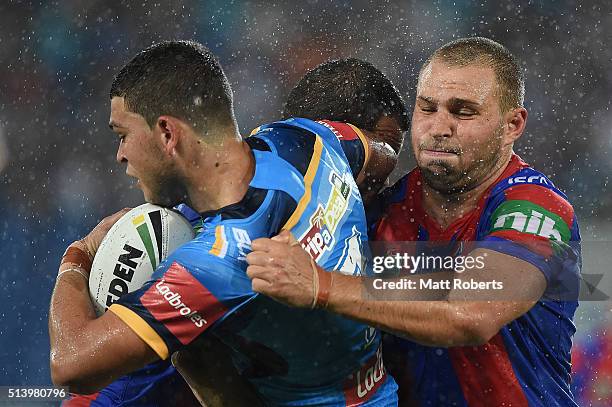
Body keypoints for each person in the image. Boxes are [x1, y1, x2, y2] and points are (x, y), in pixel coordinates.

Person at [49, 41, 409, 406]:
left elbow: (70, 365)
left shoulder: (214, 262)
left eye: (123, 135)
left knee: (195, 357)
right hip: (379, 393)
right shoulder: (303, 136)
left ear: (167, 134)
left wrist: (77, 256)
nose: (120, 154)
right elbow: (382, 152)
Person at [246, 37, 581, 406]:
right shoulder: (382, 211)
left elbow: (471, 313)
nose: (439, 127)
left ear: (512, 124)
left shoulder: (537, 206)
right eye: (428, 108)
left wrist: (320, 286)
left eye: (462, 112)